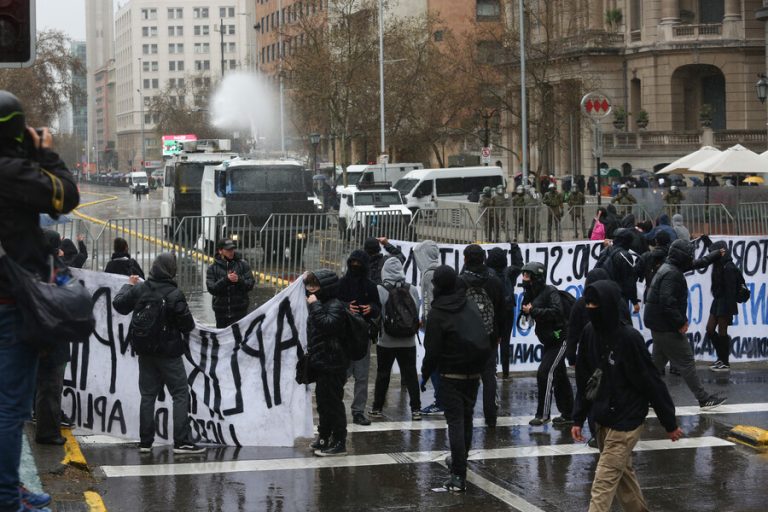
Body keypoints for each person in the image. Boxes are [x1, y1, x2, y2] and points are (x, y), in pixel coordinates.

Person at [0, 90, 79, 512]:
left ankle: (9, 485)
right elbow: (66, 195)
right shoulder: (10, 172)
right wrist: (46, 154)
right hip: (11, 304)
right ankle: (8, 496)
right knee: (10, 409)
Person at [572, 280, 683, 512]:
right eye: (588, 303)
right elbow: (585, 379)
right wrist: (578, 417)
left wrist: (669, 422)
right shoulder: (590, 333)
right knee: (623, 478)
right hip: (602, 418)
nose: (591, 308)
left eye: (595, 303)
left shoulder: (629, 339)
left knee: (603, 481)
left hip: (626, 421)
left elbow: (651, 382)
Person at [113, 253, 204, 454]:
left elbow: (119, 304)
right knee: (180, 393)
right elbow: (187, 325)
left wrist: (128, 285)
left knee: (148, 395)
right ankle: (182, 441)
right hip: (169, 354)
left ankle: (145, 442)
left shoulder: (140, 289)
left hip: (145, 352)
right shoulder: (174, 294)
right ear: (171, 270)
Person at [421, 265, 490, 492]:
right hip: (474, 372)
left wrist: (424, 374)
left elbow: (431, 351)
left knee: (456, 422)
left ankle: (458, 474)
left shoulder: (438, 312)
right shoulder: (468, 303)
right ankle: (460, 461)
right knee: (466, 418)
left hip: (450, 374)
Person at [643, 240, 726, 408]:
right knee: (686, 361)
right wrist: (680, 321)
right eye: (689, 255)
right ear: (682, 256)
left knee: (656, 364)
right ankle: (703, 399)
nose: (691, 258)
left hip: (658, 324)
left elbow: (697, 263)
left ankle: (642, 397)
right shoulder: (672, 273)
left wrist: (715, 254)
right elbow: (667, 302)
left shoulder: (670, 267)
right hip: (666, 326)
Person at [519, 262, 573, 426]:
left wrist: (533, 311)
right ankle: (569, 414)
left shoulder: (550, 291)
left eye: (527, 275)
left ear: (536, 276)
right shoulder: (531, 293)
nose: (524, 278)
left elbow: (557, 312)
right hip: (549, 340)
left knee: (545, 373)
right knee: (559, 375)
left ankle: (543, 414)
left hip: (561, 339)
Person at [304, 269, 350, 456]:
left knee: (333, 403)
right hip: (323, 361)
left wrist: (314, 306)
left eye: (316, 285)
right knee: (323, 403)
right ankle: (323, 436)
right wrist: (303, 279)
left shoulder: (335, 306)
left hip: (334, 363)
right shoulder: (322, 301)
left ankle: (339, 441)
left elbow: (328, 325)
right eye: (310, 285)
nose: (311, 289)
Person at [33, 231, 73, 446]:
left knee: (43, 388)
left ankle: (45, 428)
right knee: (50, 388)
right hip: (52, 340)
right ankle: (48, 432)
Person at [370, 258, 422, 419]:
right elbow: (416, 309)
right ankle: (416, 410)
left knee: (383, 374)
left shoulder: (380, 289)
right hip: (408, 341)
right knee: (411, 374)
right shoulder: (412, 288)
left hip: (386, 341)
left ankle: (377, 408)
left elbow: (377, 313)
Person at [459, 244, 504, 427]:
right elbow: (501, 310)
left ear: (466, 259)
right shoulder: (494, 281)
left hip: (466, 338)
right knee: (489, 377)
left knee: (465, 377)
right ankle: (491, 416)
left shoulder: (460, 282)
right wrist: (498, 333)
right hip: (489, 336)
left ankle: (465, 413)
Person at [337, 250, 381, 426]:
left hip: (363, 336)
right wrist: (346, 307)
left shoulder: (370, 286)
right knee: (342, 375)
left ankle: (358, 411)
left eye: (358, 264)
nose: (355, 267)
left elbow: (377, 306)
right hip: (345, 336)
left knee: (362, 377)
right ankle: (337, 407)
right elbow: (333, 304)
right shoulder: (342, 284)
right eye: (352, 263)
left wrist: (370, 308)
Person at [412, 240, 443, 415]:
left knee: (433, 364)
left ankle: (440, 401)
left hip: (434, 326)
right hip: (444, 323)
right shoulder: (439, 270)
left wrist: (425, 320)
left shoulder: (427, 275)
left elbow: (428, 302)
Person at [486, 244, 523, 380]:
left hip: (493, 310)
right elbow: (519, 265)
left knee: (493, 341)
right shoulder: (510, 272)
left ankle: (492, 372)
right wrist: (515, 249)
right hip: (507, 310)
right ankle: (506, 373)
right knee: (505, 341)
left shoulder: (487, 273)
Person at [705, 241, 741, 372]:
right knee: (709, 329)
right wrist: (706, 240)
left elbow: (731, 292)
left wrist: (729, 314)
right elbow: (714, 248)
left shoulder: (729, 267)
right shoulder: (720, 265)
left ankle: (724, 361)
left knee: (722, 333)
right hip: (718, 300)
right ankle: (721, 358)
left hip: (725, 303)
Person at [205, 238, 255, 328]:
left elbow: (250, 284)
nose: (231, 252)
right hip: (221, 314)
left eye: (232, 249)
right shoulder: (212, 268)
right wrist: (226, 280)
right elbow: (212, 289)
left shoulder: (243, 265)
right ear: (220, 251)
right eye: (228, 250)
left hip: (240, 312)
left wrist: (239, 280)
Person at [596, 228, 640, 315]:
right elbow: (629, 281)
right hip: (619, 297)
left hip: (603, 294)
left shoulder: (605, 251)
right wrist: (634, 301)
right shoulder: (624, 255)